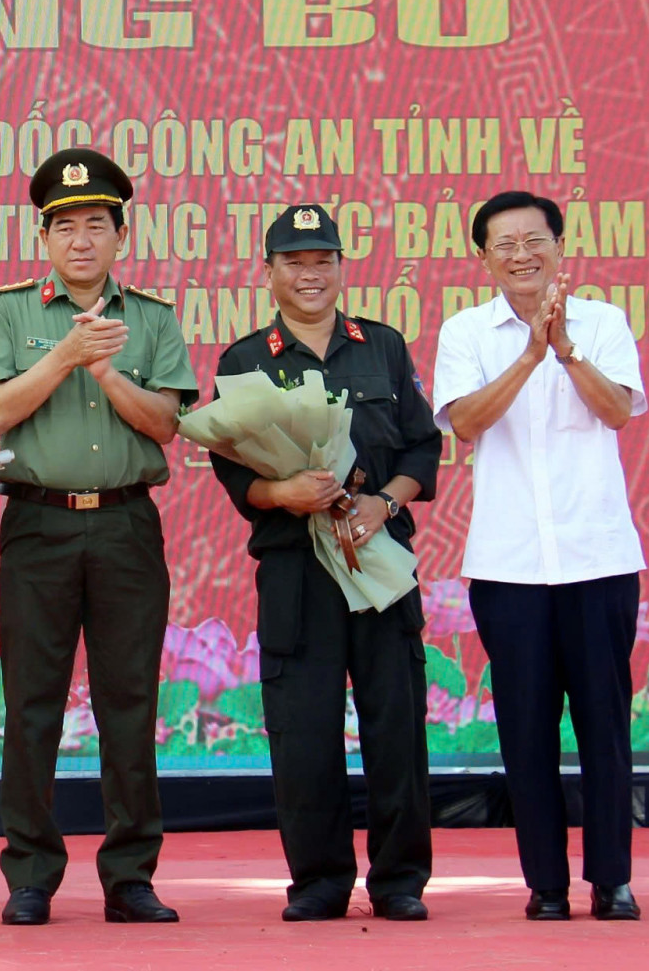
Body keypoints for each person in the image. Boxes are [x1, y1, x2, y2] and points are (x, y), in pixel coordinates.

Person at [0, 148, 196, 927]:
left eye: (97, 224)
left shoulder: (153, 318)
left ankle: (131, 874)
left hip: (128, 522)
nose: (81, 240)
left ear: (120, 236)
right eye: (65, 226)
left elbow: (167, 423)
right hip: (38, 521)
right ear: (44, 237)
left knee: (130, 700)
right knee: (33, 703)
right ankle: (30, 873)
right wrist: (66, 354)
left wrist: (109, 374)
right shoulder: (9, 311)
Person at [207, 203, 438, 923]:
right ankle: (319, 878)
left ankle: (400, 879)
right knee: (303, 730)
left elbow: (420, 449)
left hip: (376, 560)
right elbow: (233, 472)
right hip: (295, 569)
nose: (311, 274)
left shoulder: (384, 346)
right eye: (295, 262)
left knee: (395, 723)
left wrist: (385, 505)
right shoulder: (244, 359)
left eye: (324, 260)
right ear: (269, 271)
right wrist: (284, 490)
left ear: (341, 267)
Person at [432, 190, 647, 923]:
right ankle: (546, 883)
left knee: (604, 725)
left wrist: (566, 350)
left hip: (599, 558)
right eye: (504, 244)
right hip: (509, 565)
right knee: (525, 728)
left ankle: (612, 879)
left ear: (561, 244)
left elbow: (617, 409)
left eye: (534, 239)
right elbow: (465, 422)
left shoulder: (604, 322)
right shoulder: (465, 332)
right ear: (483, 258)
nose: (522, 254)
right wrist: (529, 355)